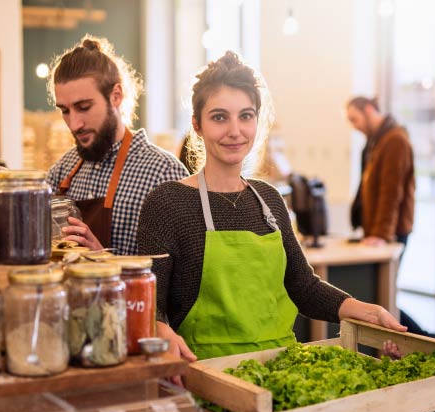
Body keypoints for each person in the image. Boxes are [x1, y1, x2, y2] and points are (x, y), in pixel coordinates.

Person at [138, 52, 406, 363]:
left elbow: (302, 285)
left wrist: (366, 310)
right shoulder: (167, 203)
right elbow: (148, 304)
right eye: (219, 117)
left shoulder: (268, 199)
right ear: (197, 125)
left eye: (246, 116)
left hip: (282, 367)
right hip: (206, 374)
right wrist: (161, 329)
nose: (235, 130)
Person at [46, 35, 188, 255]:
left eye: (83, 107)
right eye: (65, 110)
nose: (74, 124)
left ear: (116, 96)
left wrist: (102, 259)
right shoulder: (61, 172)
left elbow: (178, 276)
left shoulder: (164, 174)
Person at [345, 96, 435, 340]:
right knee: (382, 294)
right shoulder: (377, 141)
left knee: (384, 295)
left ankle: (427, 339)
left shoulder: (395, 141)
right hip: (381, 231)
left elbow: (392, 192)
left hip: (391, 232)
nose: (354, 126)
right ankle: (428, 337)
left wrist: (380, 234)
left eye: (354, 119)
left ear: (369, 110)